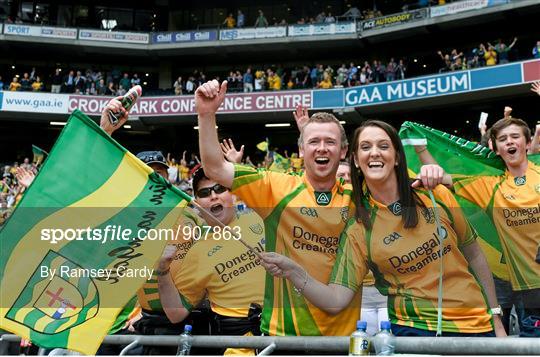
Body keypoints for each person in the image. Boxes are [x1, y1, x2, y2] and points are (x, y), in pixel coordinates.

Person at [261, 120, 506, 337]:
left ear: (398, 156)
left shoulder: (435, 194)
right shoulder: (358, 229)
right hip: (415, 331)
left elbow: (474, 254)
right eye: (366, 147)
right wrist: (294, 271)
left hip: (477, 325)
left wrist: (496, 318)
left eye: (384, 146)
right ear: (356, 160)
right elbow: (336, 300)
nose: (374, 153)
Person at [195, 79, 361, 336]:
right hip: (284, 334)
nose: (322, 148)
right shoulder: (275, 187)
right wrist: (206, 114)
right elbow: (215, 168)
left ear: (343, 151)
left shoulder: (360, 196)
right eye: (314, 141)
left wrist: (435, 174)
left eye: (330, 141)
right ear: (301, 149)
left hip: (343, 337)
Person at [157, 168, 265, 355]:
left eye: (220, 189)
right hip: (241, 349)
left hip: (288, 336)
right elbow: (176, 314)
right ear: (197, 203)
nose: (213, 196)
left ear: (232, 195)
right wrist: (163, 270)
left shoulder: (261, 219)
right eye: (205, 193)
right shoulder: (198, 253)